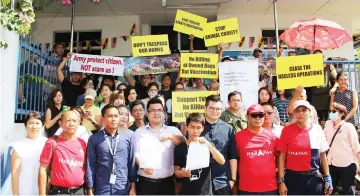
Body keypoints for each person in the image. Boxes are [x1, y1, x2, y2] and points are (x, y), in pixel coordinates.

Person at [277, 100, 333, 195]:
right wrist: (281, 181)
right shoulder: (286, 130)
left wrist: (328, 177)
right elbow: (281, 157)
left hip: (314, 179)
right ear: (294, 113)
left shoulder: (317, 129)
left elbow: (323, 155)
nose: (300, 113)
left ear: (310, 112)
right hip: (293, 179)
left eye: (304, 110)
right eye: (297, 110)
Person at [134, 98, 184, 195]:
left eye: (159, 110)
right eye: (153, 110)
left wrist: (172, 137)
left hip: (167, 183)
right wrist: (143, 166)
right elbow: (136, 154)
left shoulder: (173, 130)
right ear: (147, 114)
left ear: (164, 113)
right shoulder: (139, 132)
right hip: (145, 183)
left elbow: (183, 144)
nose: (156, 113)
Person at [86, 104, 137, 195]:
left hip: (122, 187)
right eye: (110, 116)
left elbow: (131, 162)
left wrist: (133, 187)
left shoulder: (129, 136)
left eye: (116, 116)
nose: (113, 119)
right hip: (102, 187)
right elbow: (90, 164)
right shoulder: (94, 138)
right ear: (103, 118)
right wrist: (90, 189)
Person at [174, 113, 225, 195]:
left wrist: (208, 144)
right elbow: (176, 171)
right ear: (187, 127)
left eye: (198, 127)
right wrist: (182, 173)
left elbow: (222, 161)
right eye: (192, 127)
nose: (195, 131)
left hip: (205, 193)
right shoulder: (180, 148)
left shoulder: (207, 144)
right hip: (187, 192)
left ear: (202, 128)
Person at [38, 110, 87, 195]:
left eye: (75, 121)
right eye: (68, 120)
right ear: (60, 123)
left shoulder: (82, 143)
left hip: (80, 192)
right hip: (59, 192)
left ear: (79, 123)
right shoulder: (52, 142)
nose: (71, 124)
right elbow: (43, 169)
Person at [235, 104, 279, 195]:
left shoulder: (272, 136)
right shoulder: (238, 137)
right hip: (246, 188)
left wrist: (281, 180)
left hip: (270, 188)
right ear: (247, 117)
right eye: (254, 115)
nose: (258, 118)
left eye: (261, 115)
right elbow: (233, 161)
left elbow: (280, 159)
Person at [201, 95, 237, 194]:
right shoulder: (196, 127)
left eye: (218, 109)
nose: (214, 111)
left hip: (222, 182)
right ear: (205, 108)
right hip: (200, 182)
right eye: (211, 108)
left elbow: (232, 155)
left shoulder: (228, 129)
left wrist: (233, 179)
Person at [324, 103, 360, 195]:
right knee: (328, 191)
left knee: (348, 192)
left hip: (347, 165)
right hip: (331, 164)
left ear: (342, 113)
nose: (331, 114)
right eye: (330, 111)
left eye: (334, 111)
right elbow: (324, 143)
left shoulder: (348, 127)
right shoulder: (328, 125)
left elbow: (356, 147)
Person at [11, 112, 47, 195]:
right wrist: (15, 194)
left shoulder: (48, 143)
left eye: (37, 123)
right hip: (25, 189)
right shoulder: (18, 146)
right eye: (30, 123)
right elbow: (15, 174)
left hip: (44, 190)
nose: (34, 126)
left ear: (42, 126)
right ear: (26, 126)